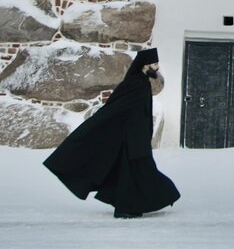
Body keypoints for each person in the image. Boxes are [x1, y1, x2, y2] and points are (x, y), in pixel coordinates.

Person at [43, 47, 180, 218]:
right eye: (154, 64)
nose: (157, 67)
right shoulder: (135, 83)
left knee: (132, 173)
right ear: (145, 66)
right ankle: (134, 205)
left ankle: (129, 206)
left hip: (135, 137)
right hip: (131, 138)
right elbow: (118, 109)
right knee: (138, 171)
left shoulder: (141, 82)